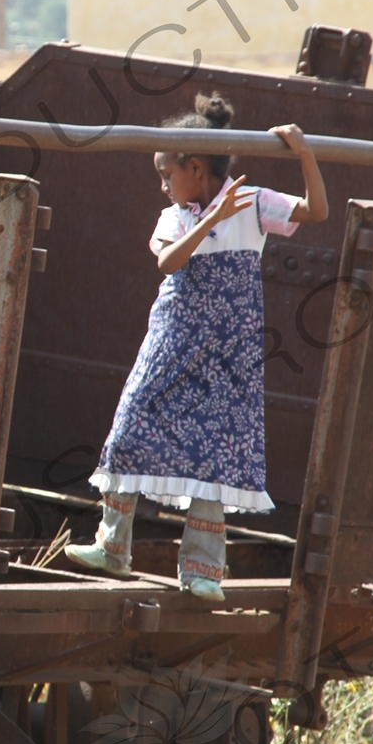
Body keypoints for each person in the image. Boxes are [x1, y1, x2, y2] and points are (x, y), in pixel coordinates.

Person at [64, 91, 329, 601]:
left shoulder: (251, 202)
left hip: (228, 352)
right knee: (132, 424)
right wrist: (209, 219)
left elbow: (316, 210)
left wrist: (305, 154)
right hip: (173, 339)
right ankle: (113, 547)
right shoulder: (176, 217)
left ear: (196, 165)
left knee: (217, 450)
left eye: (167, 175)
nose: (163, 187)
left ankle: (203, 572)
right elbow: (170, 263)